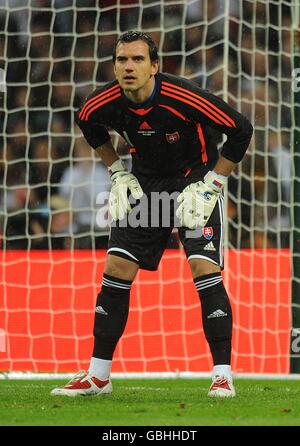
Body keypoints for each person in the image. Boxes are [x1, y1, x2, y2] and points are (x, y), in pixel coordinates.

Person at [51, 31, 253, 398]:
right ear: (114, 66)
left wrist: (214, 183)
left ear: (154, 66)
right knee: (116, 268)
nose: (129, 66)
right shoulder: (101, 104)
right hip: (146, 187)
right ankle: (98, 376)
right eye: (122, 60)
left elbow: (241, 130)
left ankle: (223, 374)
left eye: (138, 59)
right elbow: (89, 126)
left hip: (194, 183)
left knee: (203, 268)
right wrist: (116, 171)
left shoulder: (183, 96)